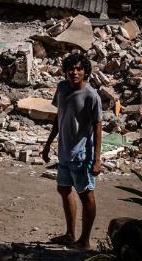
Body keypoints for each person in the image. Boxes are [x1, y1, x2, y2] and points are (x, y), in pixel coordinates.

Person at [40, 52, 102, 250]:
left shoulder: (92, 96)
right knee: (64, 189)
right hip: (64, 151)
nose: (74, 72)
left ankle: (84, 241)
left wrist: (97, 160)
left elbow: (98, 128)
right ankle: (69, 234)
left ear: (85, 72)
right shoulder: (62, 88)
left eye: (79, 69)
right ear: (66, 71)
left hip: (82, 154)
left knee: (86, 194)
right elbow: (59, 117)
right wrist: (48, 143)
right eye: (71, 69)